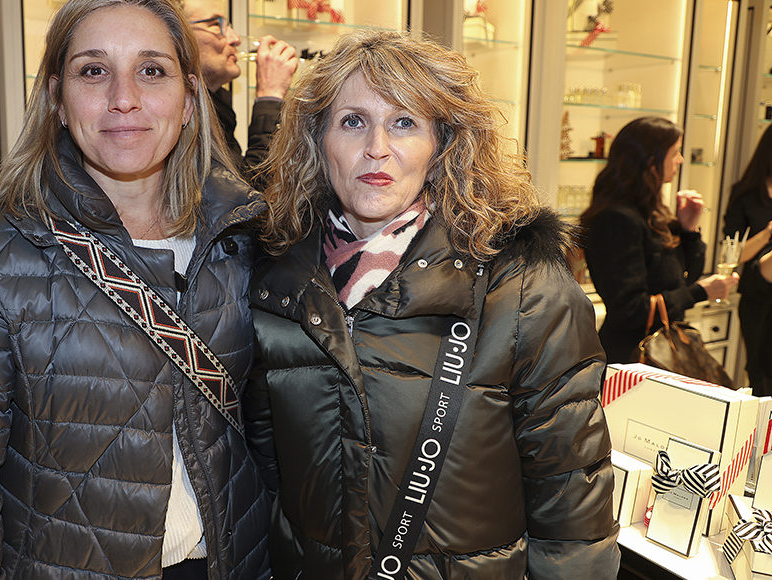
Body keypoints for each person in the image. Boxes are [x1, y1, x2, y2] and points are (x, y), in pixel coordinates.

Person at [0, 1, 271, 579]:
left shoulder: (239, 236)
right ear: (57, 96)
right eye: (94, 71)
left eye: (152, 70)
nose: (124, 98)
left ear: (190, 96)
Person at [245, 29, 620, 579]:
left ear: (442, 144)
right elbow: (268, 478)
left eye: (404, 122)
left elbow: (571, 496)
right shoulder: (277, 284)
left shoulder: (522, 287)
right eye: (352, 121)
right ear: (317, 141)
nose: (377, 147)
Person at [581, 116, 738, 364]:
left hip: (658, 351)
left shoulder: (651, 213)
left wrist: (688, 230)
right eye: (675, 152)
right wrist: (700, 292)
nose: (681, 159)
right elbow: (630, 310)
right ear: (651, 160)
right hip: (632, 359)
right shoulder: (616, 220)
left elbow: (686, 277)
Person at [179, 0, 297, 187]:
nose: (235, 39)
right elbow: (250, 194)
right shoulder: (180, 114)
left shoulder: (219, 104)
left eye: (229, 25)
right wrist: (270, 95)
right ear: (177, 36)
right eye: (215, 25)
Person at [725, 122, 772, 396]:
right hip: (758, 295)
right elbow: (734, 254)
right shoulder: (746, 194)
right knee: (761, 370)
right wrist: (767, 234)